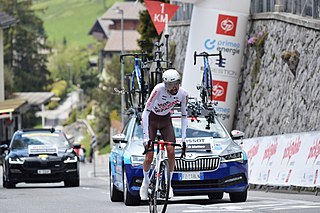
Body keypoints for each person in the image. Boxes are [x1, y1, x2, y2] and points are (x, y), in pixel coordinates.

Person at [139, 69, 188, 200]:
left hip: (166, 120)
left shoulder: (183, 94)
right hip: (152, 121)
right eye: (169, 86)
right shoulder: (158, 89)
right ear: (165, 85)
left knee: (171, 151)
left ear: (179, 83)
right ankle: (146, 182)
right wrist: (145, 138)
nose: (172, 89)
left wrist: (183, 138)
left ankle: (169, 184)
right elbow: (145, 112)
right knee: (149, 156)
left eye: (175, 85)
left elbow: (184, 115)